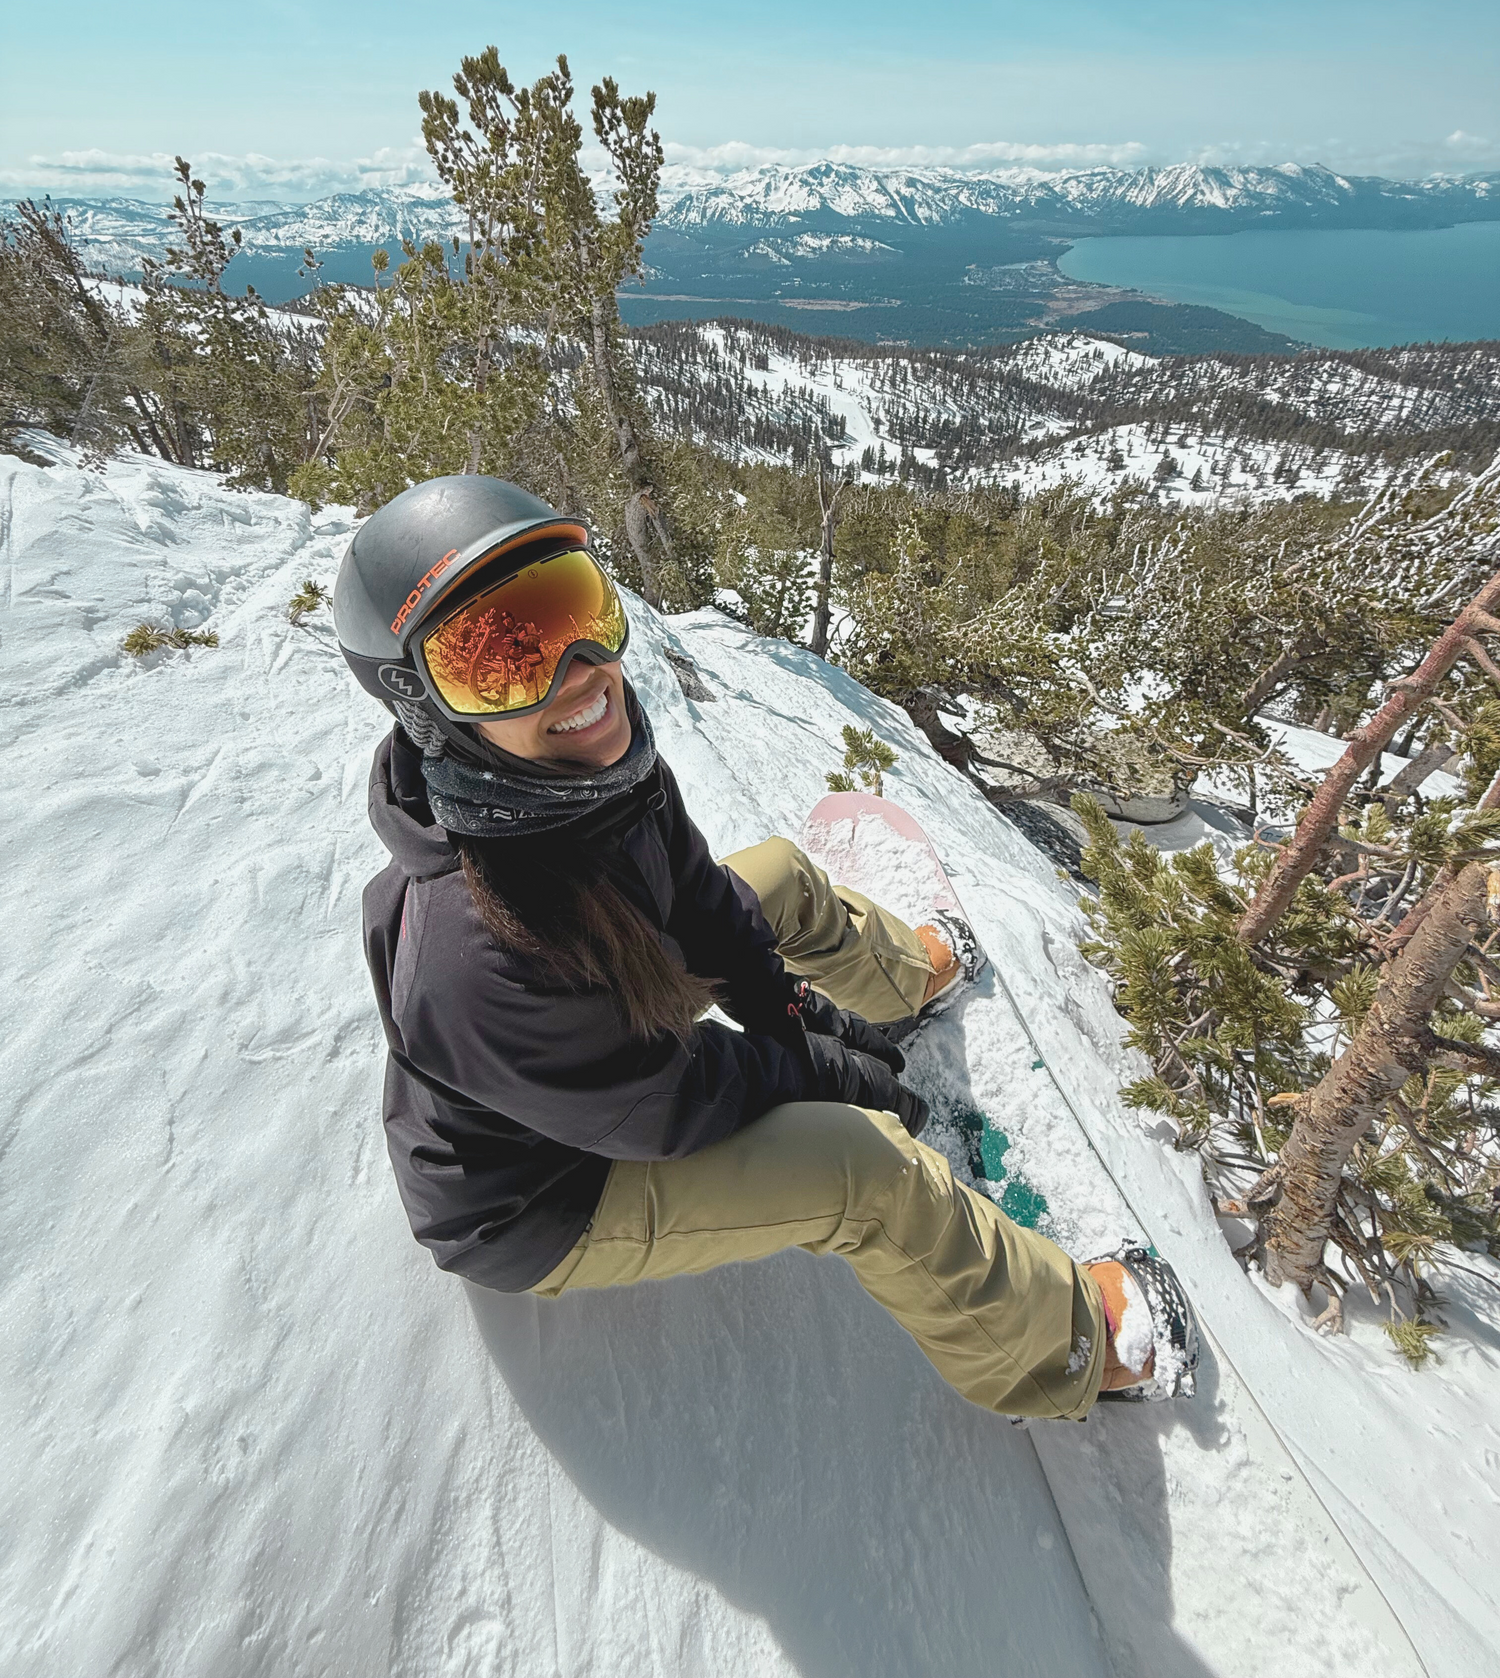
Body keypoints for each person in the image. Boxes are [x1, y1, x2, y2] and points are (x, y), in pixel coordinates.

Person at [334, 475, 1198, 1418]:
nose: (579, 672)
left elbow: (705, 899)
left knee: (777, 875)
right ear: (422, 706)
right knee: (861, 1165)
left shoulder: (578, 769)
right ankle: (1073, 1347)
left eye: (576, 609)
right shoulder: (472, 954)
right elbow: (665, 1104)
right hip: (549, 1189)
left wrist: (792, 1011)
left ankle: (904, 980)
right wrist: (828, 1074)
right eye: (500, 662)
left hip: (604, 1030)